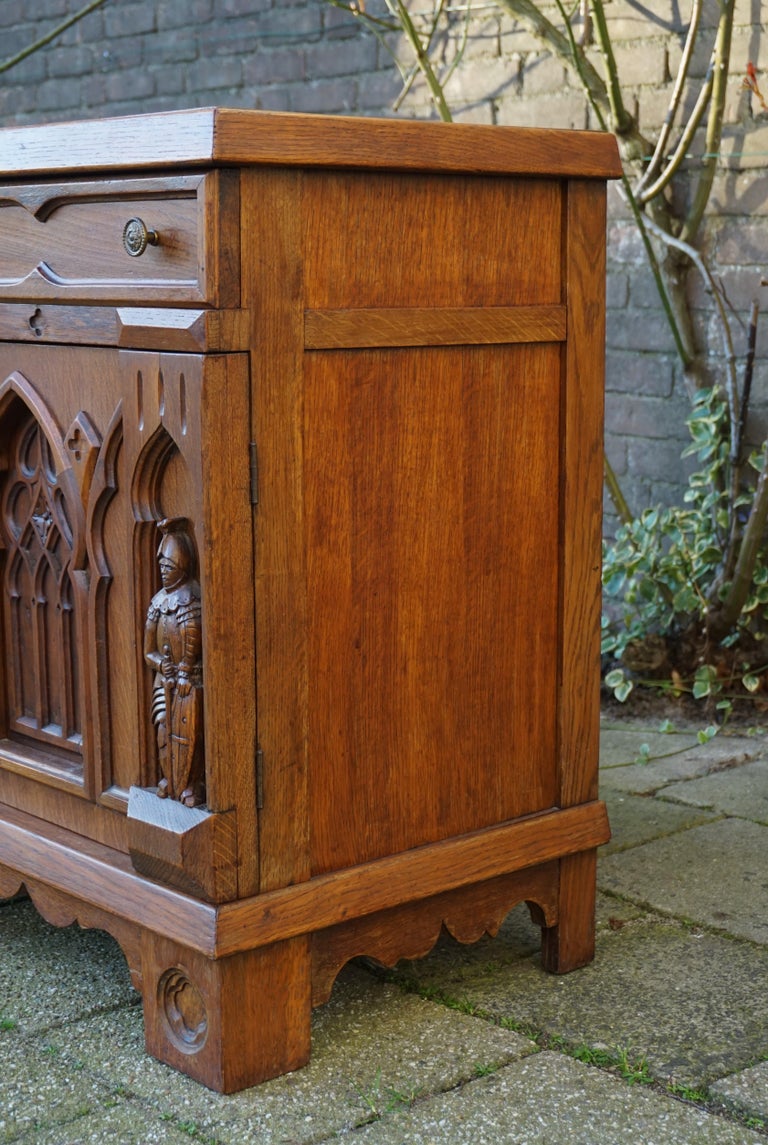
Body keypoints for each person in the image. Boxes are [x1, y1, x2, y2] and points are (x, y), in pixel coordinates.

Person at [144, 517, 205, 807]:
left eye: (170, 567)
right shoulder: (157, 603)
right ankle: (170, 777)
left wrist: (184, 670)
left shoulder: (191, 598)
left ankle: (191, 783)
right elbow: (148, 651)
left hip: (188, 683)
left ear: (182, 565)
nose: (164, 573)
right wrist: (160, 665)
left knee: (191, 735)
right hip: (163, 682)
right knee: (163, 731)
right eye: (162, 568)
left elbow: (193, 639)